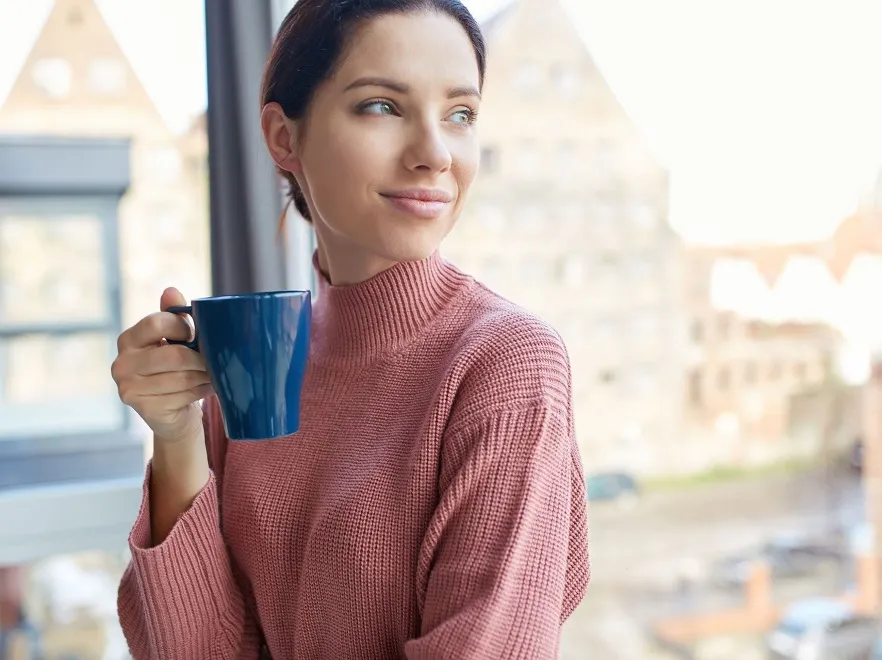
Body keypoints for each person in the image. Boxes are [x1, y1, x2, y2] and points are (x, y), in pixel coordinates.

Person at [111, 0, 590, 657]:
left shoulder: (507, 363)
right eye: (382, 106)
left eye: (460, 114)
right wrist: (174, 434)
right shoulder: (257, 363)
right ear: (284, 138)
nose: (435, 154)